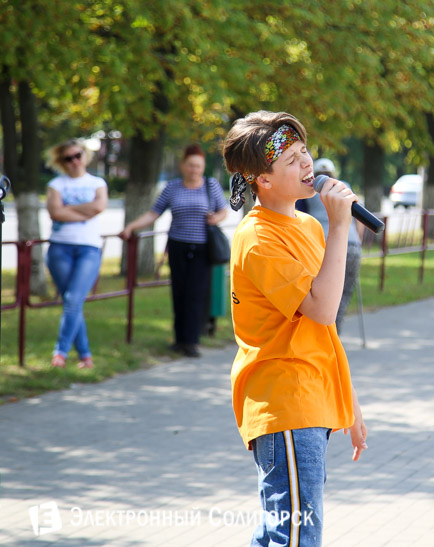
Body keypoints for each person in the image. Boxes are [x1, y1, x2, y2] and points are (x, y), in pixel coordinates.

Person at [222, 111, 367, 546]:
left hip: (312, 396)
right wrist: (341, 224)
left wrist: (350, 404)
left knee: (281, 532)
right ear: (261, 179)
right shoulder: (258, 237)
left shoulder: (306, 225)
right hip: (285, 400)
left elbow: (325, 331)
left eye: (305, 153)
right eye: (290, 159)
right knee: (295, 534)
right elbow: (323, 309)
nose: (308, 165)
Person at [119, 144, 227, 358]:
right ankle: (179, 339)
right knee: (179, 292)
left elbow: (223, 210)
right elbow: (154, 213)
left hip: (202, 247)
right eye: (190, 165)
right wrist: (131, 227)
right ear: (182, 166)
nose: (194, 170)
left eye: (198, 166)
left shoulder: (210, 185)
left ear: (203, 167)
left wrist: (217, 217)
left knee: (196, 294)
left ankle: (192, 341)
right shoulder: (172, 188)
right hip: (178, 245)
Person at [45, 138, 109, 369]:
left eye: (77, 156)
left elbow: (99, 207)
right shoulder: (56, 184)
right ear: (62, 162)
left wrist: (67, 209)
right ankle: (85, 357)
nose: (74, 162)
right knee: (73, 302)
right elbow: (55, 212)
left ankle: (60, 353)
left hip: (89, 249)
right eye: (68, 158)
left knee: (73, 300)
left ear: (84, 155)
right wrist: (84, 211)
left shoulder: (97, 182)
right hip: (59, 248)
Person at [295, 158, 362, 332]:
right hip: (352, 243)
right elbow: (358, 221)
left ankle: (332, 337)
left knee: (328, 297)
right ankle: (335, 335)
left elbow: (300, 213)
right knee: (342, 296)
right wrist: (357, 239)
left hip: (324, 242)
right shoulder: (344, 186)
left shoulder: (310, 191)